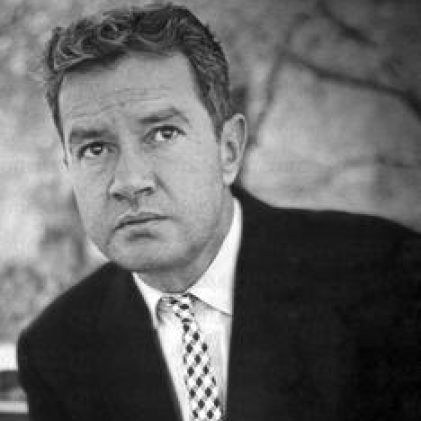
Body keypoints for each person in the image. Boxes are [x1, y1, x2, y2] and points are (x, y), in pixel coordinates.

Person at [17, 4, 421, 421]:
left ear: (228, 150)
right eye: (95, 148)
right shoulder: (55, 349)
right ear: (69, 168)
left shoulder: (387, 276)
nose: (129, 181)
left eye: (163, 133)